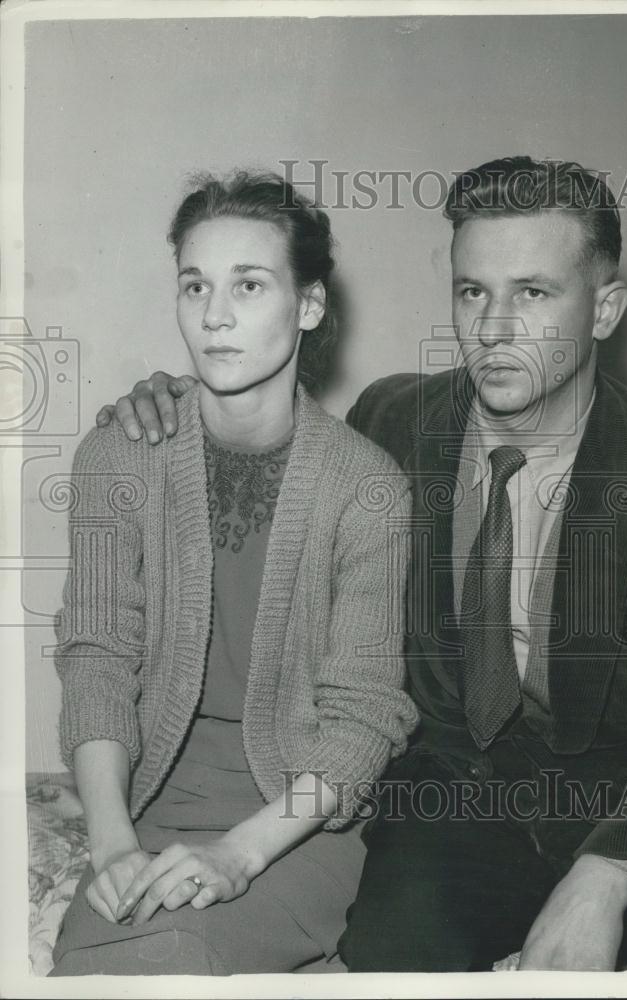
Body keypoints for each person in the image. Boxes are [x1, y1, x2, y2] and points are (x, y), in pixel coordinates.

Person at [98, 156, 627, 972]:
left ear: (603, 309)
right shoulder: (391, 420)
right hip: (453, 804)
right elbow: (267, 421)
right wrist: (174, 401)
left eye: (532, 293)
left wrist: (604, 878)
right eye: (471, 292)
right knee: (389, 955)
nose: (492, 327)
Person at [50, 171, 417, 976]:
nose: (214, 315)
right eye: (195, 286)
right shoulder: (119, 454)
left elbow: (361, 720)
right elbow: (97, 660)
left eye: (248, 285)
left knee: (180, 955)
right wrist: (110, 845)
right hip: (146, 804)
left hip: (293, 824)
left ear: (309, 305)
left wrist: (238, 856)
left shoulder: (368, 486)